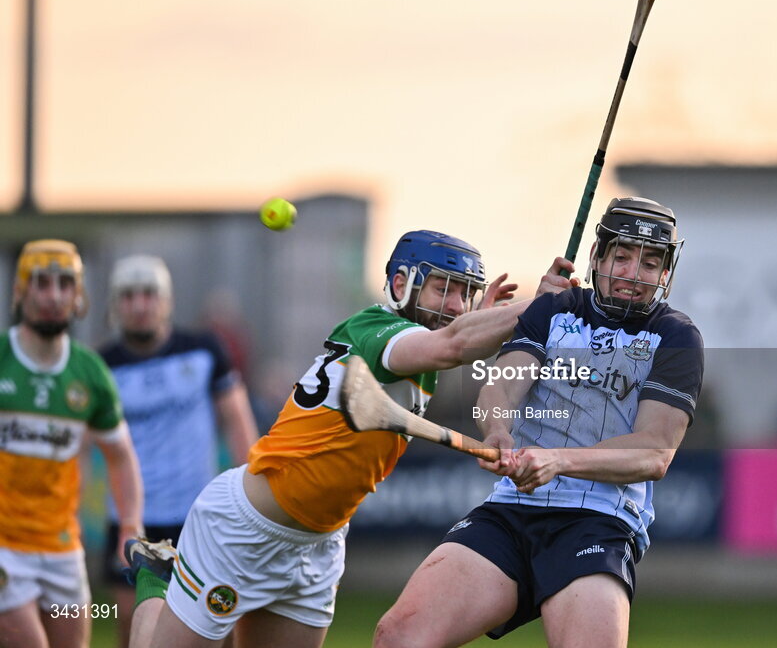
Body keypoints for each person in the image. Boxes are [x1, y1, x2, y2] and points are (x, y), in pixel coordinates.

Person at [122, 230, 574, 648]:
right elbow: (454, 344)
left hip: (319, 546)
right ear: (402, 285)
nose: (456, 306)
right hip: (243, 530)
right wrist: (538, 304)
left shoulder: (424, 358)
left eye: (463, 293)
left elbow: (460, 342)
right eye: (443, 289)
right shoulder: (377, 331)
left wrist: (495, 323)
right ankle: (155, 578)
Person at [374, 198, 705, 648]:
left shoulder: (676, 336)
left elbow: (654, 450)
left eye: (650, 263)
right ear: (598, 257)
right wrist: (497, 432)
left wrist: (556, 460)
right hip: (512, 511)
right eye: (622, 257)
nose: (633, 273)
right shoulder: (553, 310)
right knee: (399, 637)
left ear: (665, 273)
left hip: (599, 523)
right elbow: (500, 388)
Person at [98, 255, 259, 648]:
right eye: (129, 295)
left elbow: (239, 425)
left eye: (149, 294)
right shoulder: (100, 367)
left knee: (214, 632)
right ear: (115, 305)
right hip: (130, 523)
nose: (139, 305)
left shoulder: (204, 351)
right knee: (130, 633)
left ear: (166, 300)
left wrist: (254, 503)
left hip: (199, 519)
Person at [0, 240, 144, 648]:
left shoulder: (90, 373)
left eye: (65, 284)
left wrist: (129, 528)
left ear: (78, 295)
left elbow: (120, 456)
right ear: (20, 291)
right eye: (41, 283)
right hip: (5, 549)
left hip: (62, 551)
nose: (53, 296)